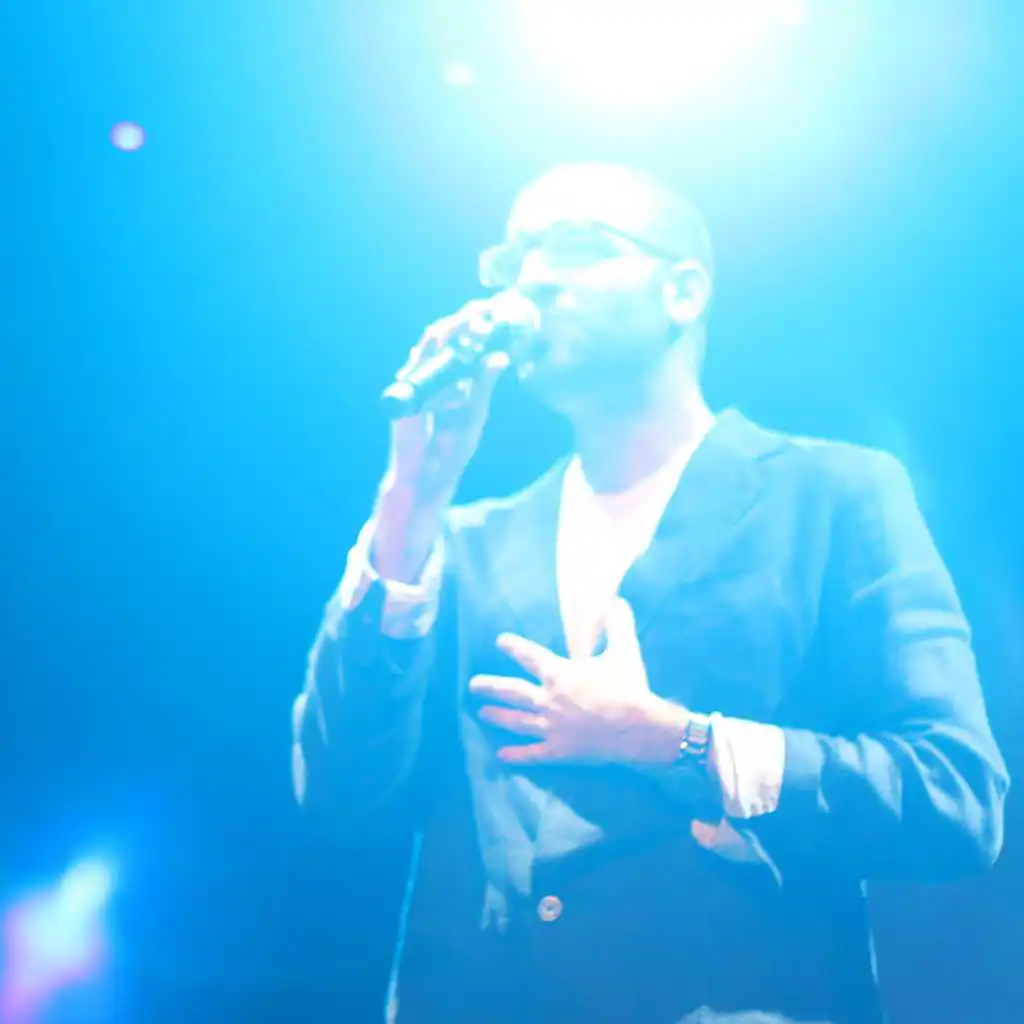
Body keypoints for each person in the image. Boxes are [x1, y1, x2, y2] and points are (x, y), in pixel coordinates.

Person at [291, 163, 1009, 1024]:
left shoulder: (831, 494)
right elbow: (343, 799)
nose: (534, 278)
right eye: (514, 259)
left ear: (683, 291)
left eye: (577, 246)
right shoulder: (459, 545)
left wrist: (679, 743)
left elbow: (954, 794)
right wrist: (411, 500)